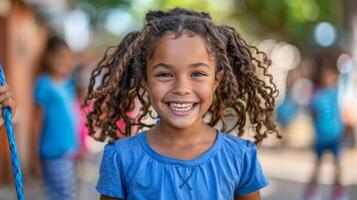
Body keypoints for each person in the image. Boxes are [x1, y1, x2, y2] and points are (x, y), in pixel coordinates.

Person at [84, 8, 280, 200]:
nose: (181, 88)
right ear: (145, 80)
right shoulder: (121, 157)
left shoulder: (240, 156)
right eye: (164, 74)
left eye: (197, 74)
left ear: (216, 81)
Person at [32, 36, 79, 200]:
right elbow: (38, 121)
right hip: (52, 152)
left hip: (68, 149)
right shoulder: (44, 84)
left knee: (68, 192)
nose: (64, 62)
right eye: (59, 57)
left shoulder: (68, 84)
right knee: (60, 195)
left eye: (67, 58)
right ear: (48, 57)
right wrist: (35, 155)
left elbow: (72, 116)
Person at [305, 54, 348, 200]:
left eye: (331, 75)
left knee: (338, 167)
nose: (328, 77)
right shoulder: (316, 93)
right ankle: (311, 192)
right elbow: (312, 113)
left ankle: (339, 193)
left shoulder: (338, 92)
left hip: (336, 136)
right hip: (321, 137)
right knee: (317, 166)